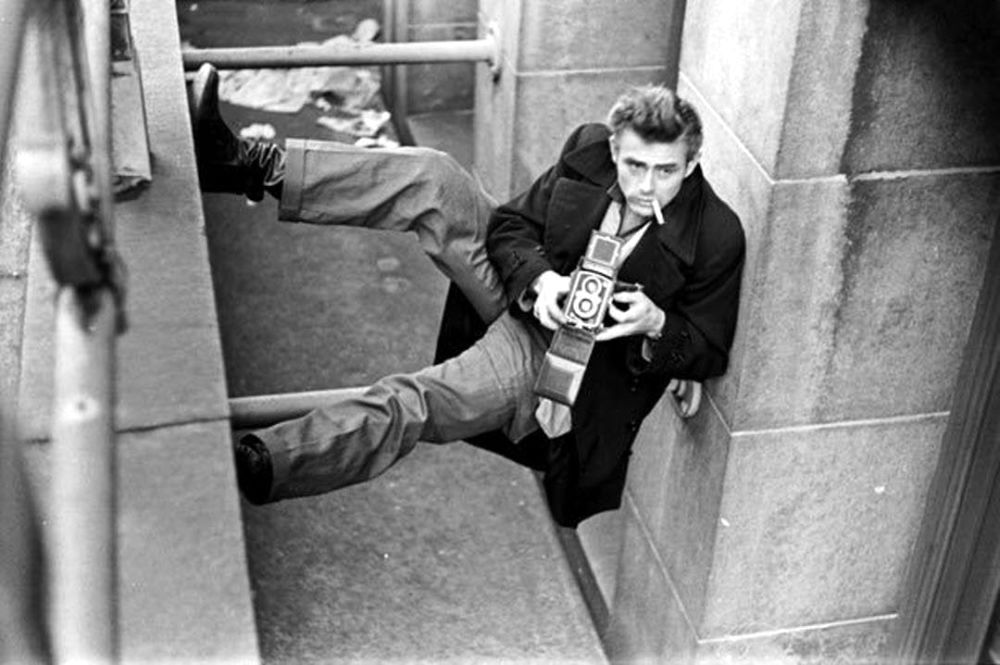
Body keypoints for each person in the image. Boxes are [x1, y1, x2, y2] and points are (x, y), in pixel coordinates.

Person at [188, 63, 745, 527]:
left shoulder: (717, 235)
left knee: (417, 400)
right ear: (616, 148)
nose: (647, 187)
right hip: (527, 294)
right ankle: (246, 165)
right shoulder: (588, 149)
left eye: (666, 171)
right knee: (435, 177)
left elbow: (708, 349)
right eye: (635, 166)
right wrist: (543, 282)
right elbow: (511, 228)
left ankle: (265, 462)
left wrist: (654, 325)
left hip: (556, 365)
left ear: (693, 162)